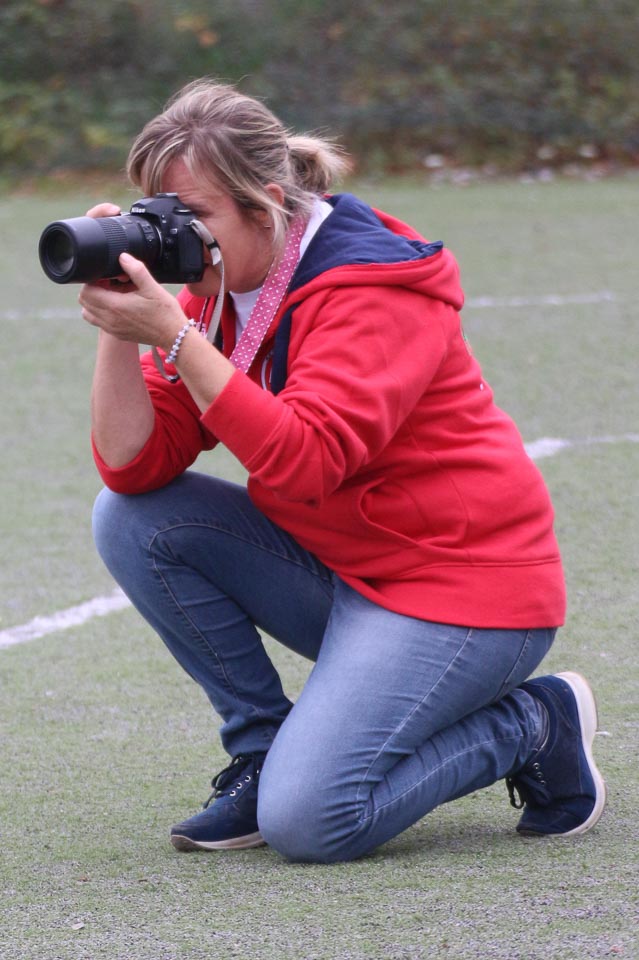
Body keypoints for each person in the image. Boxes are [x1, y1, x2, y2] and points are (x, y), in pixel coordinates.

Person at [79, 78, 606, 863]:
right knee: (132, 519)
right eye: (157, 214)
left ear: (266, 204)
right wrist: (119, 323)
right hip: (346, 572)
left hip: (462, 592)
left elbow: (306, 461)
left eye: (192, 217)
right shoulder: (215, 294)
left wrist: (178, 341)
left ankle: (533, 724)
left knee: (312, 821)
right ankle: (262, 750)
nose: (174, 238)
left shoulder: (373, 285)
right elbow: (134, 468)